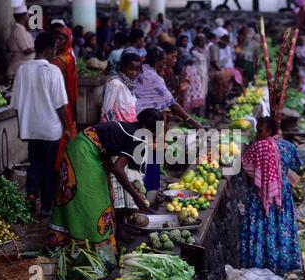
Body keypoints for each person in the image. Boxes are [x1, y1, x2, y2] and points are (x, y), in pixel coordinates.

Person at [46, 108, 163, 252]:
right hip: (83, 153)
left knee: (100, 193)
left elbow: (112, 153)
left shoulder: (133, 128)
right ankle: (90, 244)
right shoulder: (140, 136)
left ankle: (102, 235)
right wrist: (136, 197)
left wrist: (132, 189)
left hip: (82, 146)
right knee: (93, 198)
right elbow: (118, 169)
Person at [10, 32, 68, 217]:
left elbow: (17, 104)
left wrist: (21, 127)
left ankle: (31, 194)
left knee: (35, 163)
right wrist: (66, 127)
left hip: (31, 127)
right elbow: (60, 105)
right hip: (51, 129)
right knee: (50, 168)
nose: (55, 53)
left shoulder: (22, 70)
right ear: (48, 49)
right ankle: (46, 206)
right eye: (54, 49)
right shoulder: (53, 71)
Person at [240, 116, 302, 274]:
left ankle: (258, 267)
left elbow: (247, 167)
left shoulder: (257, 147)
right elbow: (297, 165)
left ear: (268, 130)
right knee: (280, 227)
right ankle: (280, 265)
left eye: (259, 130)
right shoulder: (288, 147)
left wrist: (264, 178)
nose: (256, 134)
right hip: (282, 195)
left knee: (261, 227)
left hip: (259, 197)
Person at [135, 47, 202, 191]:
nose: (164, 65)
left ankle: (152, 190)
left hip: (143, 120)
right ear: (157, 61)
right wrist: (192, 121)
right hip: (147, 122)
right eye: (162, 62)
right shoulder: (152, 76)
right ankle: (148, 191)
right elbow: (171, 102)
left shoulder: (144, 71)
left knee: (151, 156)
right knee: (151, 157)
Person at [101, 53, 143, 238]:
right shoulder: (115, 84)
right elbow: (106, 112)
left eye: (137, 69)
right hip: (117, 140)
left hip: (129, 139)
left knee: (129, 181)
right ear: (123, 67)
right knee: (118, 185)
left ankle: (124, 224)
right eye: (131, 68)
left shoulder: (129, 86)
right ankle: (118, 229)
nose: (134, 72)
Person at [51, 28, 79, 170]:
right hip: (66, 101)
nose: (57, 41)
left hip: (61, 101)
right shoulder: (67, 57)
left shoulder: (60, 60)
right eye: (56, 38)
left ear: (67, 40)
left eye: (61, 39)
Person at [7, 5, 35, 81]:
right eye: (28, 16)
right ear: (24, 17)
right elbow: (26, 50)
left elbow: (8, 48)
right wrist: (39, 47)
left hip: (19, 68)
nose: (29, 18)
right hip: (18, 69)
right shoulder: (20, 30)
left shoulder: (18, 28)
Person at [192, 34, 210, 98]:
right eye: (200, 40)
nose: (202, 42)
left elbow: (208, 62)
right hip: (197, 75)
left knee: (205, 91)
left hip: (205, 74)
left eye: (203, 40)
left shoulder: (206, 50)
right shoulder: (194, 51)